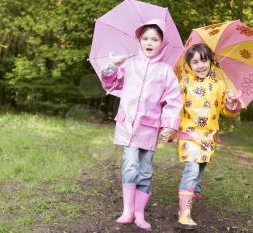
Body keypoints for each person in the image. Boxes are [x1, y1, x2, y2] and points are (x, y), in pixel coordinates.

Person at [100, 19, 182, 230]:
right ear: (138, 40)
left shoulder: (166, 71)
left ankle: (139, 213)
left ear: (162, 43)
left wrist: (169, 125)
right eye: (145, 38)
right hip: (128, 124)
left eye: (155, 39)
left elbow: (173, 101)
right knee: (130, 164)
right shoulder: (129, 63)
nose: (149, 42)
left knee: (145, 169)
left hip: (149, 127)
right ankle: (127, 210)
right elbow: (110, 83)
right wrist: (112, 66)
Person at [174, 43, 241, 229]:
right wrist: (171, 128)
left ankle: (186, 202)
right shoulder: (184, 84)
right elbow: (175, 108)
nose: (200, 65)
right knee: (192, 170)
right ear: (188, 64)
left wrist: (230, 103)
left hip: (208, 137)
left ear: (211, 61)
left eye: (204, 60)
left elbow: (226, 112)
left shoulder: (219, 85)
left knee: (199, 170)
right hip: (189, 134)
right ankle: (185, 214)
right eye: (195, 61)